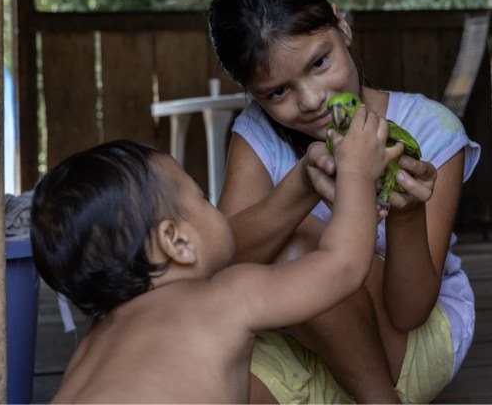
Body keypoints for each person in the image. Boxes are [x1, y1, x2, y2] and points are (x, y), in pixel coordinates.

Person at [207, 0, 482, 403]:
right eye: (277, 92)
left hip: (404, 350)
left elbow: (410, 312)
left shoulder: (431, 130)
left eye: (320, 62)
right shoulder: (258, 132)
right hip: (298, 342)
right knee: (204, 388)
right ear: (251, 91)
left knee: (295, 249)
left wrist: (406, 217)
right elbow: (223, 265)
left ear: (342, 25)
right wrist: (300, 185)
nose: (313, 100)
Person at [29, 133, 403, 403]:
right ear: (177, 242)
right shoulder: (227, 297)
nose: (212, 204)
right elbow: (342, 266)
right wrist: (356, 173)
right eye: (203, 198)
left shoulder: (89, 350)